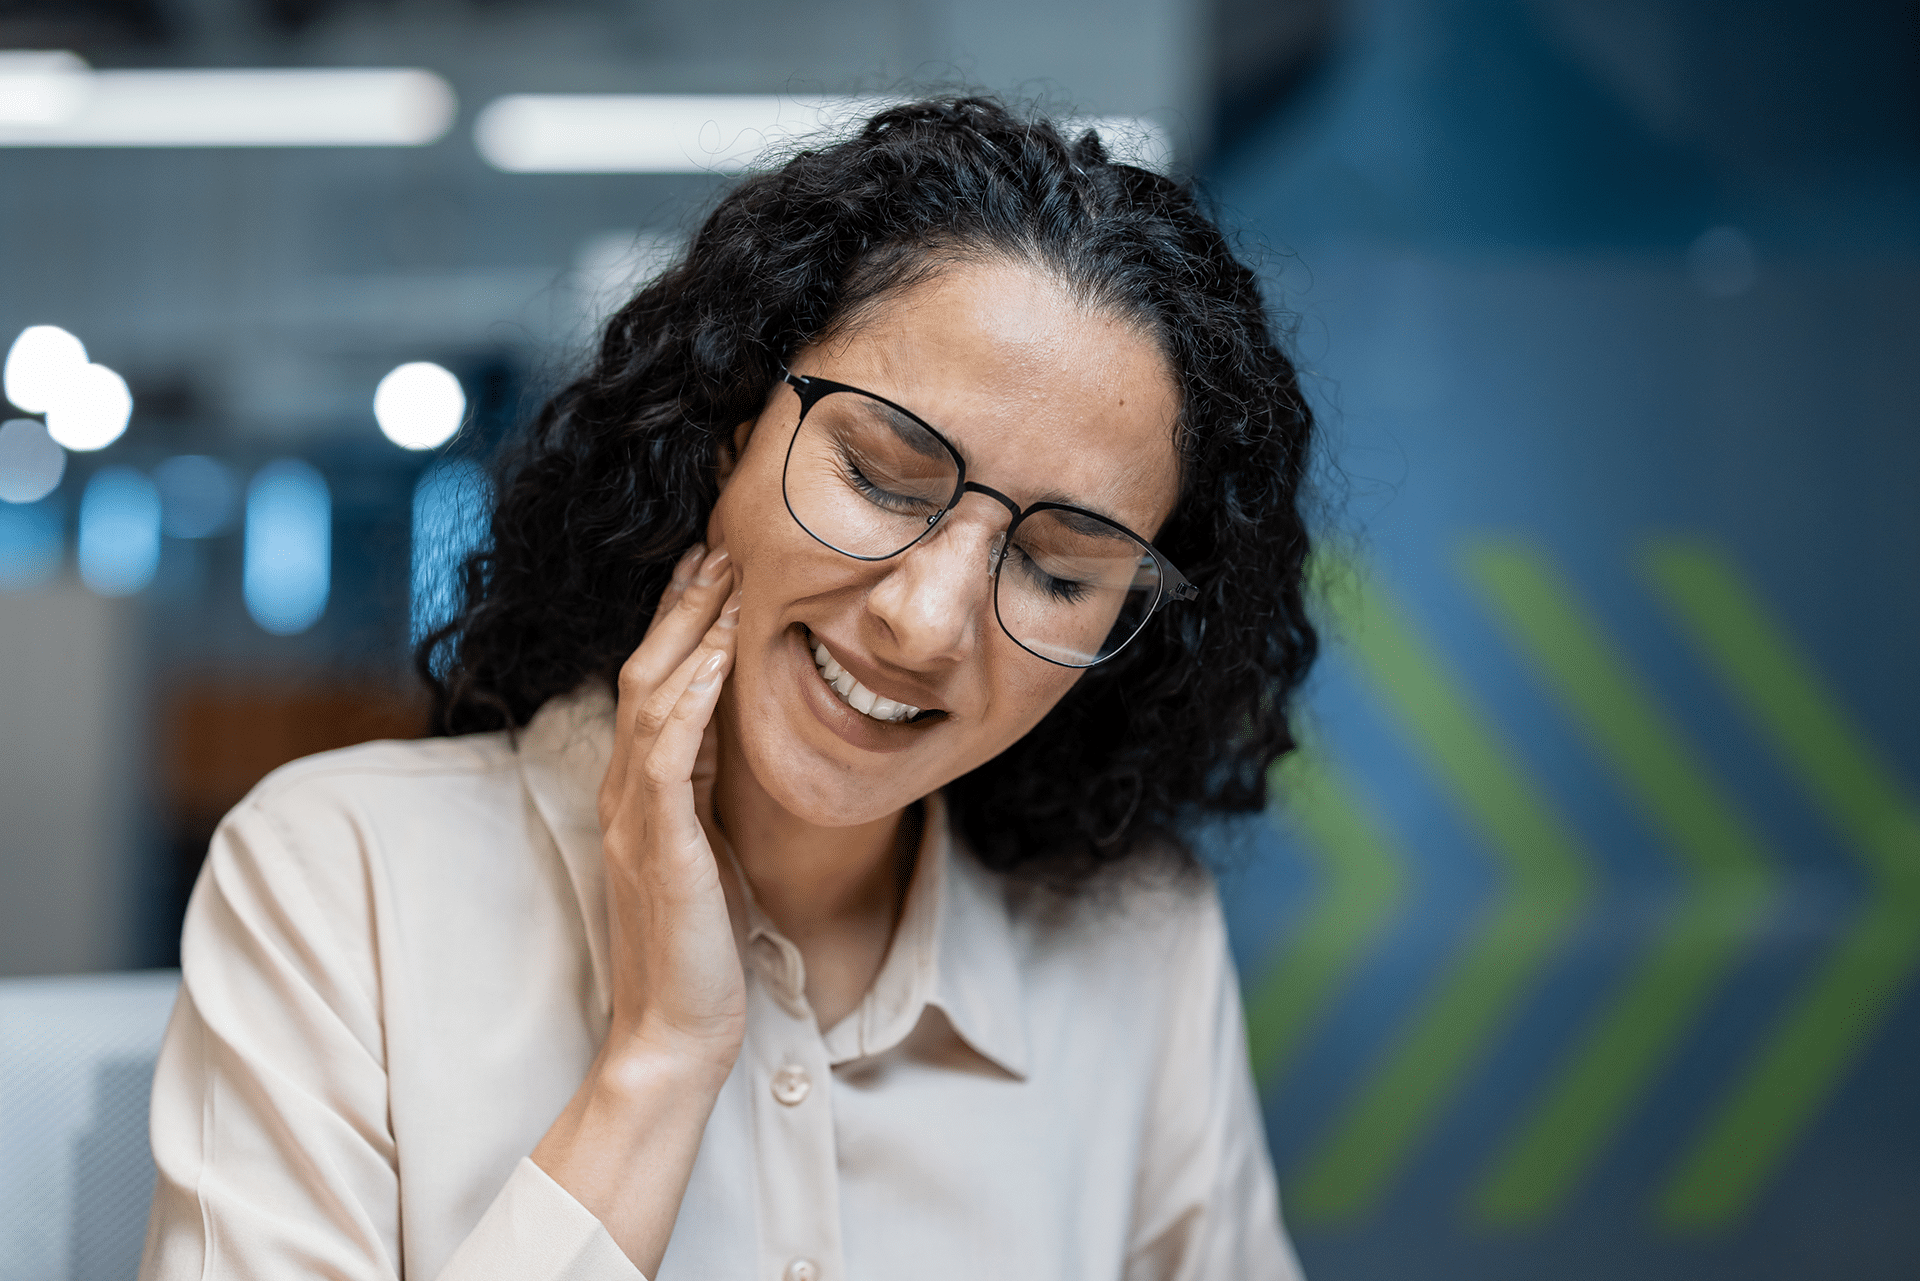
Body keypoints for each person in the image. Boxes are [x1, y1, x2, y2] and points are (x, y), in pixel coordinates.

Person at [140, 97, 1318, 1281]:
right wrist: (657, 1063)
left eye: (1057, 568)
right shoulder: (342, 877)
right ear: (726, 432)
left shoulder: (1137, 941)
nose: (925, 621)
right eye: (881, 477)